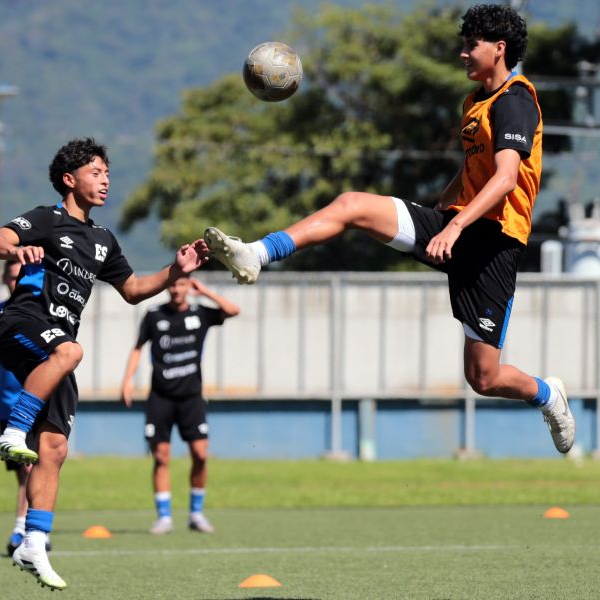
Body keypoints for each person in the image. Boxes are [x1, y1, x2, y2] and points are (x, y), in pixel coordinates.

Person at [204, 4, 574, 455]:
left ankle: (547, 394)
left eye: (470, 44)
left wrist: (453, 226)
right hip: (455, 223)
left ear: (499, 49)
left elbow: (505, 179)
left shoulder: (516, 100)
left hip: (493, 245)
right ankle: (259, 253)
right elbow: (475, 165)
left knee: (484, 378)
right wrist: (444, 203)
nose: (462, 53)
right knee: (353, 205)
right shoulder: (475, 103)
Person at [0, 137, 209, 590]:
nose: (105, 180)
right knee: (70, 352)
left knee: (55, 448)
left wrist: (177, 270)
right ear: (70, 179)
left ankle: (33, 541)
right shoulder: (49, 219)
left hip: (56, 346)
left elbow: (134, 290)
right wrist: (16, 250)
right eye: (96, 172)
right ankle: (11, 433)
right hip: (23, 323)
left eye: (107, 173)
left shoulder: (103, 240)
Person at [120, 275, 239, 535]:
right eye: (172, 284)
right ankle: (164, 517)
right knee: (161, 456)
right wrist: (127, 380)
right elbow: (138, 347)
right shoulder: (154, 315)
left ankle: (196, 514)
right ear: (167, 287)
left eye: (182, 284)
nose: (176, 289)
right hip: (160, 397)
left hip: (191, 398)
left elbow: (233, 310)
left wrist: (205, 291)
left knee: (200, 454)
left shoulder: (201, 314)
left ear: (189, 286)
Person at [0, 259, 52, 557]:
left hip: (36, 401)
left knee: (34, 465)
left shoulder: (42, 311)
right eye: (12, 277)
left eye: (20, 278)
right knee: (22, 473)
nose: (15, 283)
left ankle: (28, 529)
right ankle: (29, 526)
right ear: (4, 278)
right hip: (7, 403)